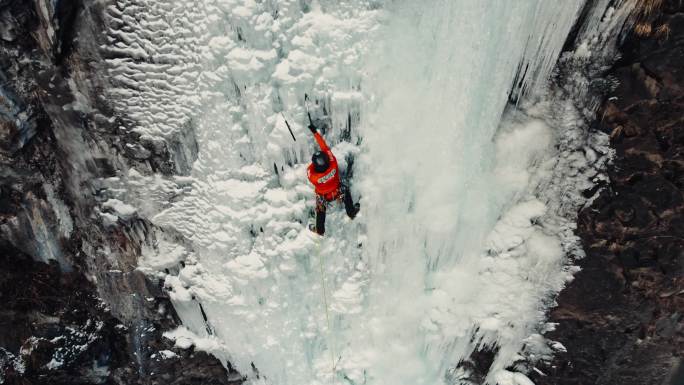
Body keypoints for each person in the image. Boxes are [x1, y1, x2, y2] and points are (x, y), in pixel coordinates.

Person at [307, 123, 359, 235]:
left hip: (324, 197)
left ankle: (319, 230)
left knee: (320, 208)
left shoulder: (313, 176)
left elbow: (310, 168)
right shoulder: (333, 163)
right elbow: (324, 147)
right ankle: (351, 212)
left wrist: (314, 164)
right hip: (337, 191)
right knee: (345, 189)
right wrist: (315, 132)